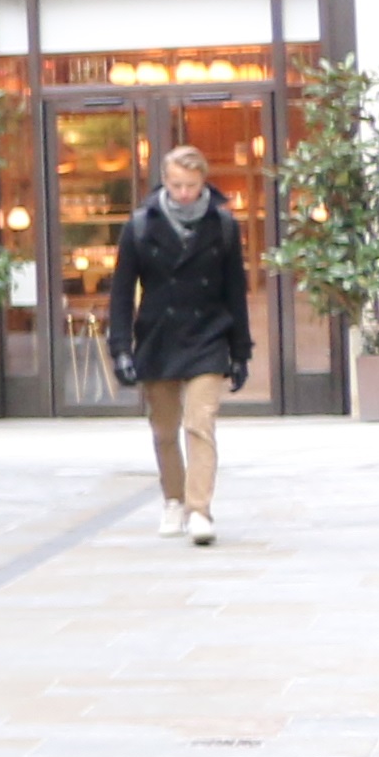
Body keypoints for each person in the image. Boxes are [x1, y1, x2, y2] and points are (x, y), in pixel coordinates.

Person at [108, 141, 253, 548]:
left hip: (208, 334)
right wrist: (120, 348)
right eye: (176, 185)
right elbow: (121, 292)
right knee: (165, 429)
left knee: (199, 424)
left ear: (203, 180)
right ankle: (173, 498)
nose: (184, 193)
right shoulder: (140, 226)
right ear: (165, 183)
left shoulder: (222, 225)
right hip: (158, 336)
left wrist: (241, 351)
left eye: (191, 184)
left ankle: (200, 509)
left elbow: (235, 291)